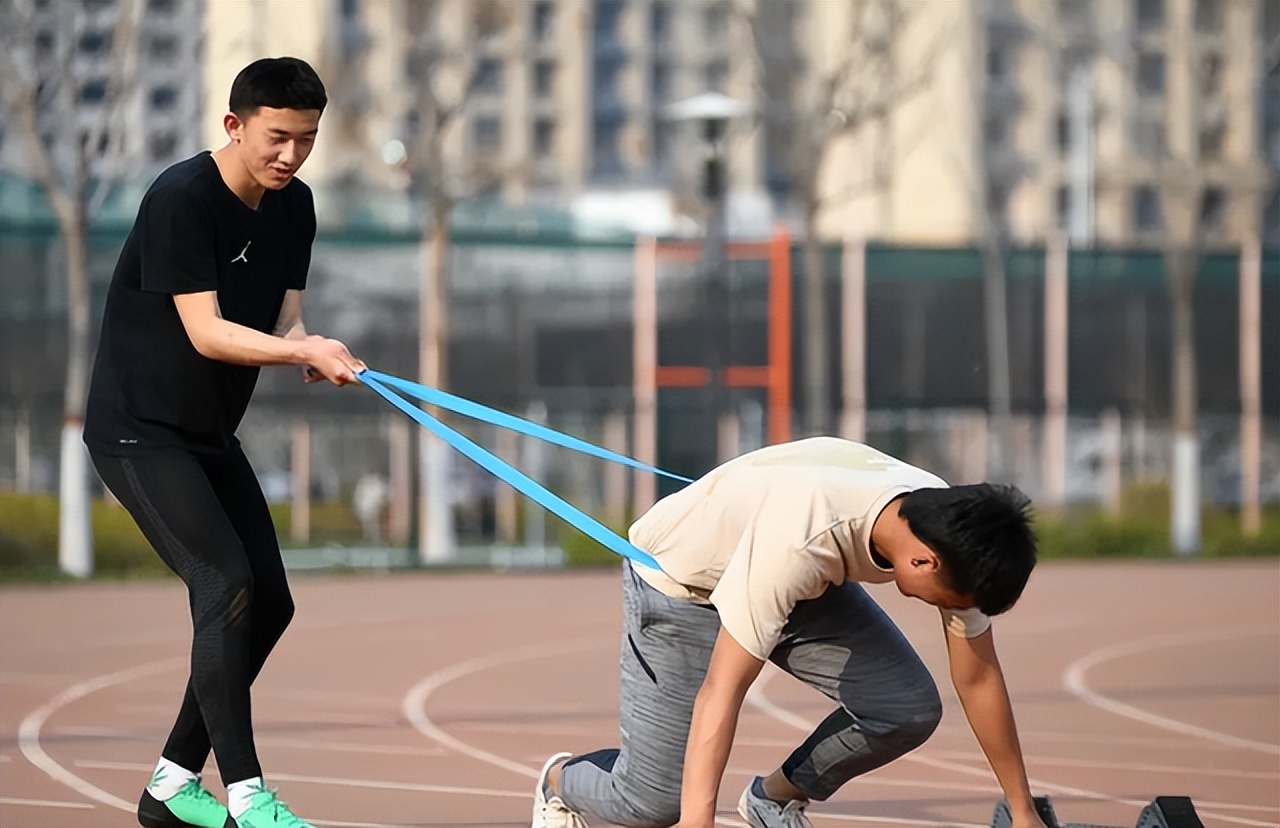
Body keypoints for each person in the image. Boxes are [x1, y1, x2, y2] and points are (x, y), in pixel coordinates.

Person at [84, 57, 364, 828]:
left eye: (306, 141)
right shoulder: (181, 198)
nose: (291, 156)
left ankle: (171, 786)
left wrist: (307, 347)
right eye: (277, 138)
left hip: (208, 436)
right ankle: (247, 797)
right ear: (234, 125)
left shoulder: (295, 205)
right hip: (137, 434)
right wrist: (302, 353)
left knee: (268, 603)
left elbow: (283, 318)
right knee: (225, 586)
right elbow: (205, 332)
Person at [530, 436, 1048, 828]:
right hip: (683, 584)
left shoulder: (950, 522)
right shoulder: (799, 543)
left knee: (906, 709)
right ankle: (560, 780)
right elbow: (721, 692)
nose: (956, 612)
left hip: (800, 583)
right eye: (954, 602)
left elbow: (977, 678)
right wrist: (697, 821)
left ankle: (771, 798)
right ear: (924, 562)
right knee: (653, 803)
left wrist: (1022, 812)